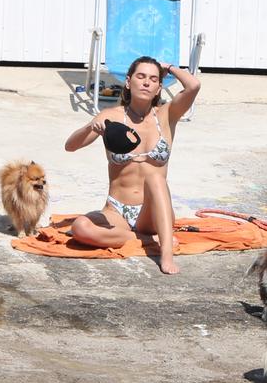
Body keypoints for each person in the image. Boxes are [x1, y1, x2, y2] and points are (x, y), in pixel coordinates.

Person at [64, 56, 200, 275]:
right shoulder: (110, 117)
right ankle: (148, 241)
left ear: (158, 88)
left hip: (152, 212)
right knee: (80, 227)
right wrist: (91, 127)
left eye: (153, 79)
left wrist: (169, 68)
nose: (146, 82)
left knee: (155, 178)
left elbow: (193, 85)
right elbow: (70, 146)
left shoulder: (167, 115)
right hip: (117, 211)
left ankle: (166, 255)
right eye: (141, 76)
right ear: (128, 82)